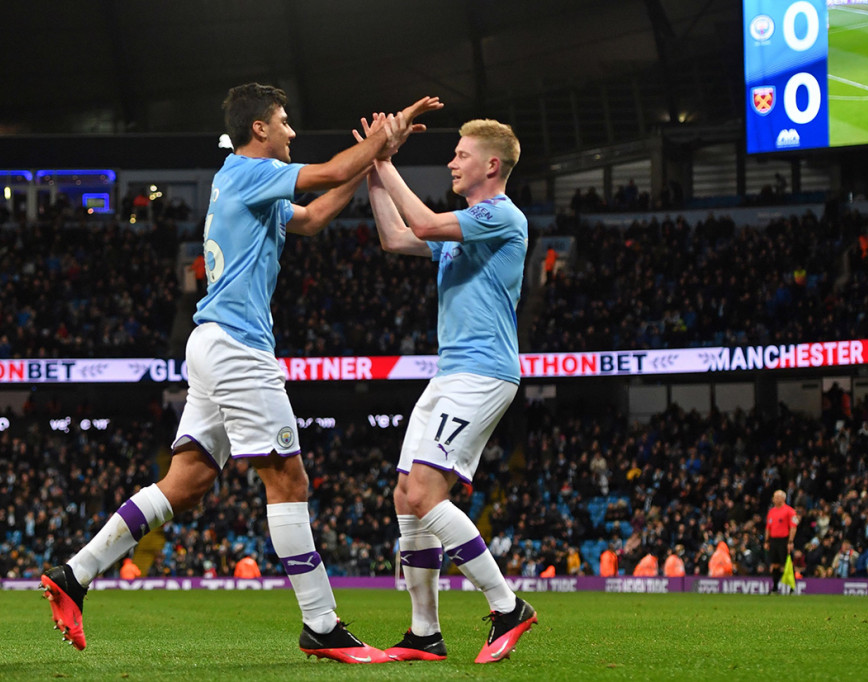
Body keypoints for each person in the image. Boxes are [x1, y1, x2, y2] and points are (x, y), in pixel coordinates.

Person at [39, 82, 442, 662]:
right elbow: (328, 173)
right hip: (238, 347)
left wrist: (375, 158)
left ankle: (74, 574)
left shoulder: (252, 185)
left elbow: (318, 213)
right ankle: (321, 624)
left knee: (188, 483)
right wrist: (386, 134)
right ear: (260, 129)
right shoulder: (247, 173)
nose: (290, 132)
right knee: (289, 481)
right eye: (284, 122)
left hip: (211, 345)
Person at [358, 117, 536, 663]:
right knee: (404, 497)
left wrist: (388, 161)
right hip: (451, 372)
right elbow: (396, 237)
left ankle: (507, 607)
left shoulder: (500, 215)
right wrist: (371, 168)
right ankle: (423, 634)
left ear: (492, 165)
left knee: (426, 495)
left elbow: (428, 224)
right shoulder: (467, 228)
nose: (452, 163)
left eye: (461, 155)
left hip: (483, 373)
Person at [764, 489, 798, 593]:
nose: (775, 499)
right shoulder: (771, 511)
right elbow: (768, 528)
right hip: (774, 540)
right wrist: (766, 541)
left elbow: (793, 527)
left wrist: (790, 541)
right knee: (775, 564)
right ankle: (775, 587)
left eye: (777, 497)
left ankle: (792, 587)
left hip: (784, 540)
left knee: (787, 564)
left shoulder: (790, 511)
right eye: (774, 497)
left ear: (783, 498)